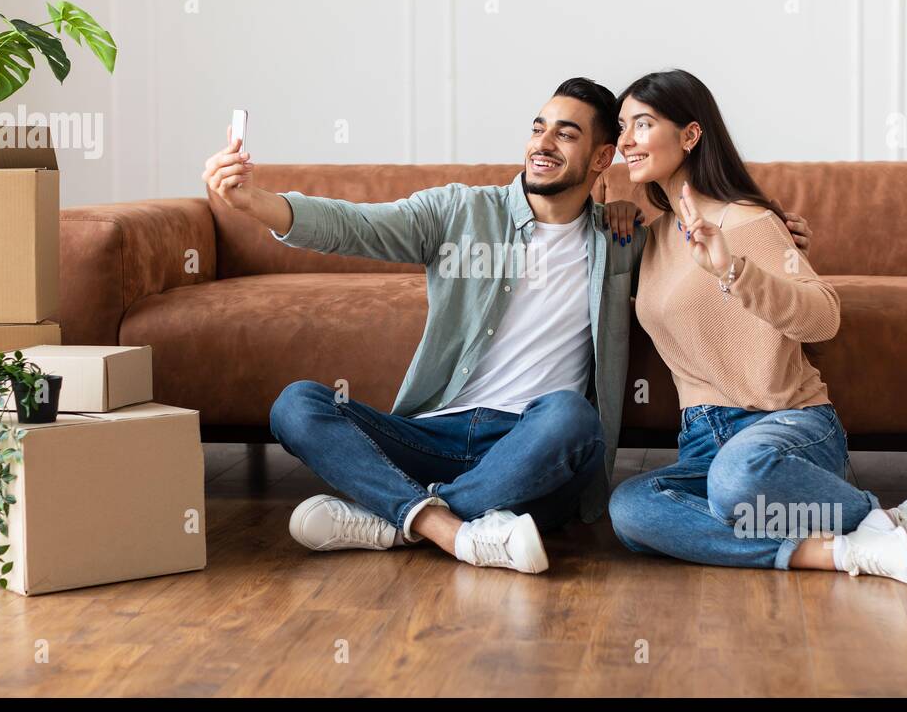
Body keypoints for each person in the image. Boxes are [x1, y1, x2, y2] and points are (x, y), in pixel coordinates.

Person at [201, 77, 813, 574]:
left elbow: (709, 243)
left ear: (603, 157)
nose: (542, 143)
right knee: (298, 405)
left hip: (535, 447)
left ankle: (394, 518)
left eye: (566, 135)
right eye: (538, 128)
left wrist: (772, 236)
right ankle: (447, 528)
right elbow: (353, 225)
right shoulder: (458, 211)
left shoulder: (622, 238)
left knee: (572, 416)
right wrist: (258, 204)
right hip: (431, 436)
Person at [604, 69, 907, 585]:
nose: (626, 140)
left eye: (642, 125)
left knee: (737, 482)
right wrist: (616, 206)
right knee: (631, 510)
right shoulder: (651, 239)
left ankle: (887, 516)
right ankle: (847, 546)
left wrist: (733, 271)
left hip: (786, 427)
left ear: (691, 136)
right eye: (622, 126)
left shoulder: (748, 223)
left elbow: (823, 317)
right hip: (701, 441)